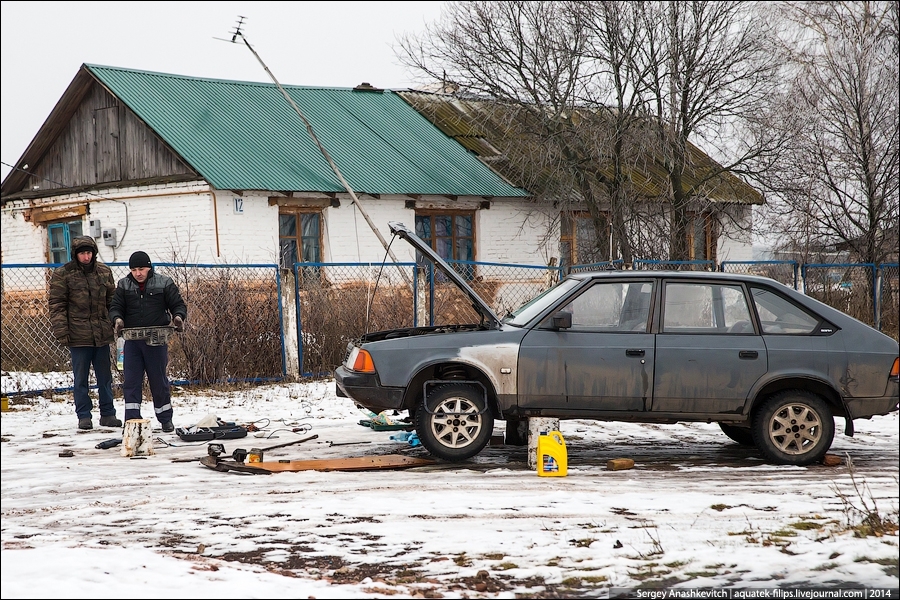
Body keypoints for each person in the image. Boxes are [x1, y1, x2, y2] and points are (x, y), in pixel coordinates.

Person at [48, 236, 122, 430]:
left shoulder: (104, 272)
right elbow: (57, 305)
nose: (86, 257)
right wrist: (61, 330)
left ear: (94, 253)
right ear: (75, 254)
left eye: (89, 252)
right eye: (82, 253)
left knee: (105, 377)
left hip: (101, 334)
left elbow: (112, 302)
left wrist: (117, 321)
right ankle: (83, 415)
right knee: (81, 378)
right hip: (77, 335)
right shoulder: (63, 274)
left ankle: (108, 413)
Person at [109, 251, 187, 432]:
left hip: (156, 339)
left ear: (149, 267)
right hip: (133, 341)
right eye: (134, 269)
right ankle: (132, 422)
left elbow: (178, 304)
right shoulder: (124, 285)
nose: (138, 273)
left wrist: (178, 317)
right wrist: (117, 320)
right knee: (131, 382)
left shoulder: (164, 283)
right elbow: (115, 307)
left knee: (158, 381)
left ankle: (165, 419)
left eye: (141, 269)